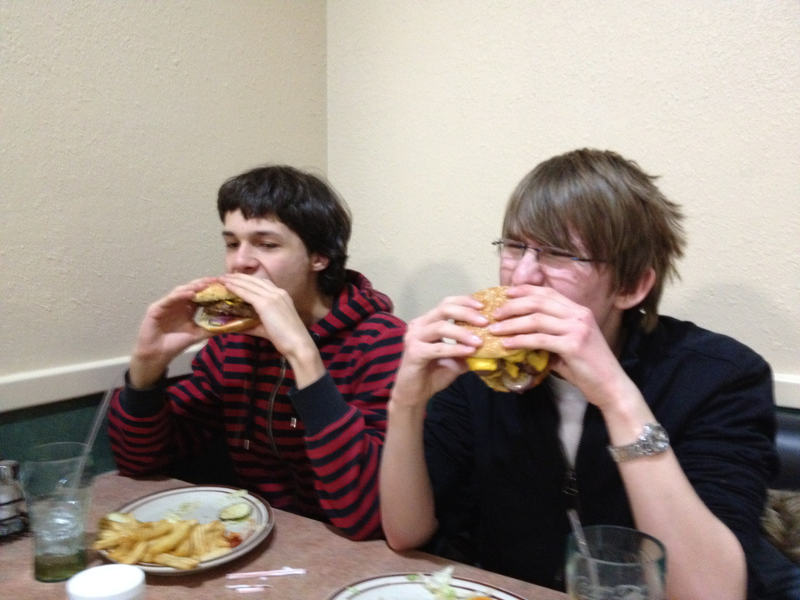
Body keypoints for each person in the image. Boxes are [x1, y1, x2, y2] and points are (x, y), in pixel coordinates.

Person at [380, 149, 778, 599]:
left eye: (558, 253)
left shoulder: (720, 378)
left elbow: (711, 593)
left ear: (631, 286)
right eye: (514, 246)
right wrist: (406, 403)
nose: (521, 277)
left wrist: (616, 397)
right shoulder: (482, 373)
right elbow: (405, 534)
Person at [109, 165, 406, 540]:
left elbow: (367, 515)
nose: (240, 262)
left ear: (319, 256)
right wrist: (147, 366)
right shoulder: (234, 341)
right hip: (255, 539)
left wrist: (302, 354)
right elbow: (140, 461)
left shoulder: (384, 343)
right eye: (233, 243)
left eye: (266, 244)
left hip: (348, 550)